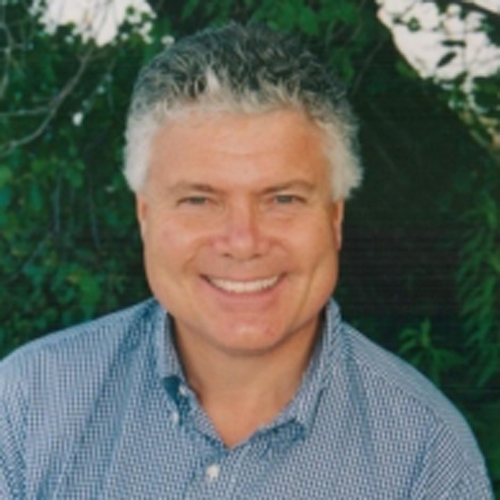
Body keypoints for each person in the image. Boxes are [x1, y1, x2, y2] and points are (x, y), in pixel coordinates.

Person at [0, 22, 493, 499]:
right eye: (199, 199)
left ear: (335, 217)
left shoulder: (426, 456)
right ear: (145, 215)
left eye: (282, 199)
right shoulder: (25, 408)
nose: (243, 242)